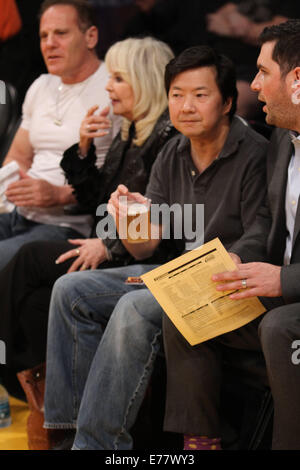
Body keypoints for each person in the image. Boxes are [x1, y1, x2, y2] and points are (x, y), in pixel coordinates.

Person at [43, 45, 269, 450]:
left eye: (200, 95)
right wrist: (130, 218)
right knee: (71, 291)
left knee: (133, 306)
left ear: (228, 102)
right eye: (177, 95)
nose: (186, 106)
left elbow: (261, 234)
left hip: (228, 281)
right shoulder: (172, 151)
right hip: (177, 276)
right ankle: (67, 431)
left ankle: (97, 445)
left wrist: (224, 260)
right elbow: (146, 248)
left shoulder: (254, 154)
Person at [0, 35, 175, 378]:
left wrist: (109, 245)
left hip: (136, 259)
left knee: (30, 259)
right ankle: (34, 391)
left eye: (118, 78)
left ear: (145, 80)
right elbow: (95, 201)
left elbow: (162, 219)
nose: (108, 87)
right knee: (36, 302)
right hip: (108, 245)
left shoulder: (165, 140)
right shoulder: (130, 133)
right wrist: (84, 147)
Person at [210, 19, 300, 450]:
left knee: (281, 326)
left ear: (297, 78)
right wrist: (238, 259)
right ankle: (200, 443)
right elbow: (266, 220)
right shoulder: (282, 137)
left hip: (292, 297)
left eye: (264, 72)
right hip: (283, 289)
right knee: (191, 309)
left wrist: (283, 279)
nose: (256, 85)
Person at [0, 0, 120, 271]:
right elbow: (18, 155)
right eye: (43, 36)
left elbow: (123, 176)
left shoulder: (114, 87)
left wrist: (60, 194)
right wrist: (14, 182)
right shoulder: (41, 85)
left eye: (61, 33)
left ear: (91, 36)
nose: (49, 44)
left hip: (68, 225)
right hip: (18, 214)